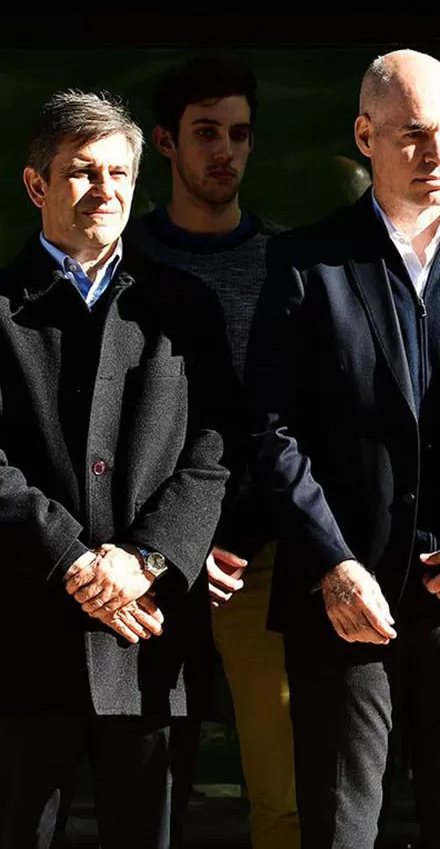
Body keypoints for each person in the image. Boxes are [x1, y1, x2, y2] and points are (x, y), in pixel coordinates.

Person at [247, 49, 440, 849]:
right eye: (414, 134)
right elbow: (272, 429)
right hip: (345, 604)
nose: (436, 154)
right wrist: (332, 563)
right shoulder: (306, 265)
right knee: (341, 834)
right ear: (366, 136)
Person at [0, 89, 233, 848]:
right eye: (81, 171)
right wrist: (72, 562)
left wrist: (145, 559)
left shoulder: (186, 308)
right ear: (36, 184)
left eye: (119, 173)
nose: (104, 189)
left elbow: (214, 451)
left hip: (149, 639)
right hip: (21, 642)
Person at [127, 53, 299, 849]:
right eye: (205, 132)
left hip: (256, 556)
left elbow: (294, 417)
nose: (225, 150)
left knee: (284, 790)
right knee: (147, 787)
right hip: (148, 557)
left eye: (239, 133)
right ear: (165, 141)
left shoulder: (285, 264)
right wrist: (174, 540)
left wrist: (239, 533)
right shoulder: (125, 261)